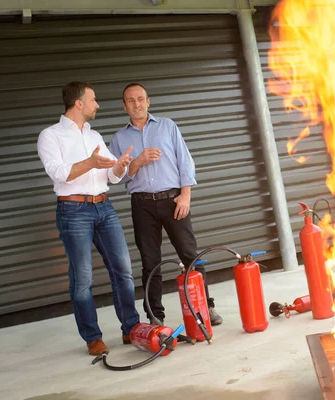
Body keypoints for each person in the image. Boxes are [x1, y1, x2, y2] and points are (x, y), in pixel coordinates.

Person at [37, 82, 140, 356]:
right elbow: (59, 173)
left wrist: (120, 166)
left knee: (123, 271)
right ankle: (93, 337)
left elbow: (111, 176)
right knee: (82, 278)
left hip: (104, 208)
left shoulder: (94, 136)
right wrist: (91, 163)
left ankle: (131, 328)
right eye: (94, 100)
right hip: (73, 212)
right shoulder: (50, 136)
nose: (98, 105)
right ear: (79, 103)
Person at [109, 83, 223, 326]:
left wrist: (186, 195)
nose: (136, 104)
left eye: (140, 99)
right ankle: (155, 316)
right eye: (131, 100)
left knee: (190, 255)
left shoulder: (168, 126)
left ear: (148, 101)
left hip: (173, 200)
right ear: (124, 105)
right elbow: (116, 176)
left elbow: (185, 161)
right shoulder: (119, 139)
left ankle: (205, 308)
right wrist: (137, 162)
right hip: (142, 205)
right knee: (150, 263)